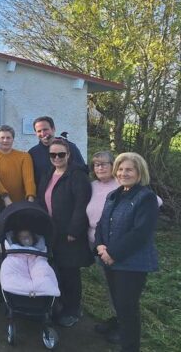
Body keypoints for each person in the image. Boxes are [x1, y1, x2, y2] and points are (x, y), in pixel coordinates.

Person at [88, 151, 162, 343]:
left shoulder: (146, 198)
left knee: (127, 308)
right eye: (120, 169)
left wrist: (112, 253)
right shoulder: (114, 195)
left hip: (132, 264)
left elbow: (140, 233)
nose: (123, 173)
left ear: (139, 172)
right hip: (109, 260)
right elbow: (102, 224)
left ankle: (130, 346)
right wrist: (100, 246)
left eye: (129, 170)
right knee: (118, 304)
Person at [35, 138, 93, 327]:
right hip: (53, 231)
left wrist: (74, 231)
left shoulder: (77, 176)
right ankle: (60, 304)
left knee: (70, 273)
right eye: (53, 154)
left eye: (61, 154)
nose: (57, 158)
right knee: (57, 269)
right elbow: (42, 199)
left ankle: (73, 310)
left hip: (69, 233)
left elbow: (81, 205)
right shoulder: (49, 173)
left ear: (68, 155)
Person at [0, 124, 37, 206]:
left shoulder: (24, 156)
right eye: (2, 138)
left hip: (21, 203)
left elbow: (29, 179)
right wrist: (5, 197)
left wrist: (30, 198)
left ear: (13, 139)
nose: (5, 140)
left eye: (8, 138)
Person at [29, 116, 87, 185]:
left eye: (45, 129)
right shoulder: (33, 153)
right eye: (39, 131)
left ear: (53, 129)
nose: (43, 134)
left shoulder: (70, 147)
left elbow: (82, 171)